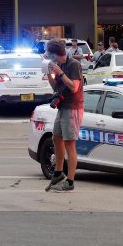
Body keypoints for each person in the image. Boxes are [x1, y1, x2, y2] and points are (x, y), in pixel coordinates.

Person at [44, 40, 84, 193]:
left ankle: (71, 181)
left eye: (52, 56)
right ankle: (59, 173)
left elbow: (74, 87)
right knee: (56, 138)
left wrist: (60, 73)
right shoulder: (59, 65)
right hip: (62, 106)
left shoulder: (73, 64)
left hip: (72, 108)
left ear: (56, 54)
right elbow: (57, 88)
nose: (51, 59)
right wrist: (49, 75)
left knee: (69, 144)